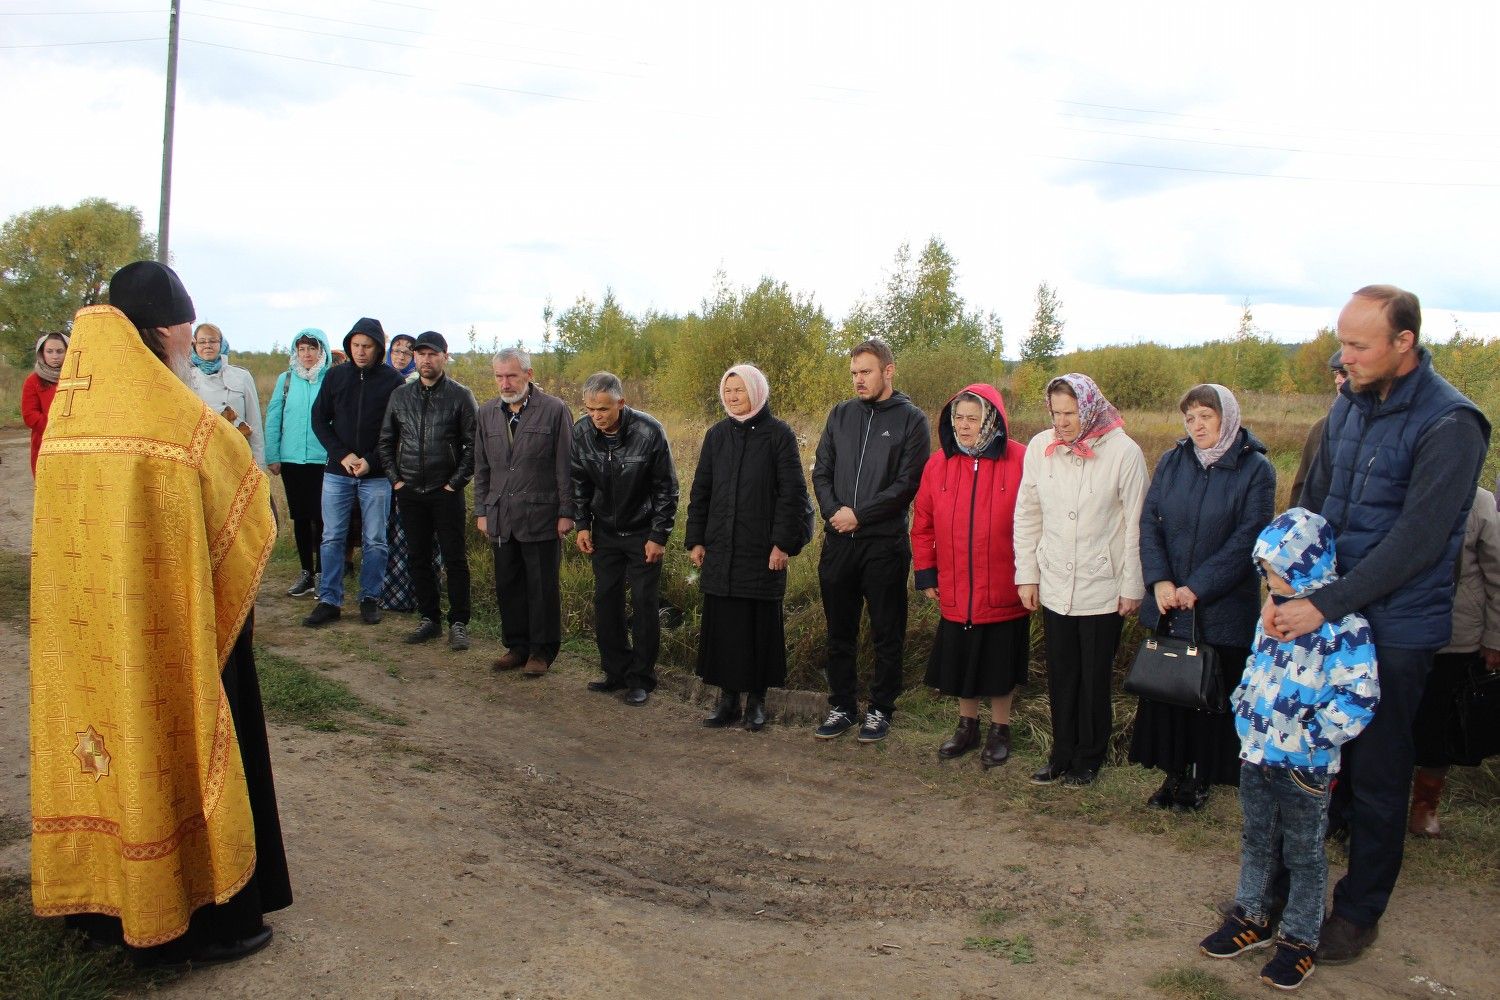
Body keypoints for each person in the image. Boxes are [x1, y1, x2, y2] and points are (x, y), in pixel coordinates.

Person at [30, 260, 291, 964]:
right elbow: (244, 496)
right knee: (177, 738)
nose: (187, 338)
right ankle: (202, 917)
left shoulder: (70, 420)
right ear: (159, 331)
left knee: (100, 752)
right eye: (183, 326)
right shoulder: (172, 419)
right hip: (168, 629)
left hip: (85, 639)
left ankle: (96, 905)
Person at [1268, 284, 1489, 963]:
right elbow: (1316, 504)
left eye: (1359, 345)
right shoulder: (1348, 406)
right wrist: (1281, 580)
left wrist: (1322, 604)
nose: (1345, 357)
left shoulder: (1452, 423)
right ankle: (1283, 891)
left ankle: (1359, 910)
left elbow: (1417, 541)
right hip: (1324, 613)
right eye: (1342, 342)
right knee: (1302, 756)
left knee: (1377, 774)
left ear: (1404, 342)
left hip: (1397, 628)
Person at [1199, 508, 1378, 992]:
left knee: (1304, 853)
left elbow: (1359, 697)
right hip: (1256, 754)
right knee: (1257, 839)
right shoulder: (1272, 615)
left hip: (1305, 766)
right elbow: (1256, 665)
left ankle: (1300, 939)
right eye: (1264, 570)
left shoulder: (1345, 628)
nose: (1269, 579)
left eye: (1276, 570)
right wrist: (1243, 706)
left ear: (1306, 565)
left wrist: (1311, 737)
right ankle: (1251, 916)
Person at [1131, 384, 1276, 811]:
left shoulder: (1256, 469)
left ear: (1226, 417)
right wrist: (1160, 582)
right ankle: (1172, 773)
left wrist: (1197, 587)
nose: (1197, 426)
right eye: (1190, 417)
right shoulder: (1173, 461)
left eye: (1206, 416)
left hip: (1221, 606)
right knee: (1170, 690)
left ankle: (1201, 778)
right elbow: (1150, 523)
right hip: (1170, 602)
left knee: (1210, 694)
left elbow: (1249, 538)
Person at [1014, 373, 1147, 787]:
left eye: (1070, 413)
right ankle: (1060, 752)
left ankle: (1089, 757)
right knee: (1061, 673)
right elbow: (1028, 513)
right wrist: (1027, 575)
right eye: (1056, 413)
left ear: (1089, 408)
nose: (1062, 422)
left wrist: (1132, 585)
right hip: (1054, 580)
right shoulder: (1041, 447)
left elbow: (1136, 524)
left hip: (1102, 584)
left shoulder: (1124, 452)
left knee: (1093, 677)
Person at [811, 338, 930, 743]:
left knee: (886, 632)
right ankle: (842, 706)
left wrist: (859, 515)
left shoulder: (911, 420)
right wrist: (835, 512)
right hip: (838, 542)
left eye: (866, 372)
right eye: (854, 373)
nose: (858, 380)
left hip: (883, 545)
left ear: (888, 371)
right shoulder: (841, 414)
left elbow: (907, 483)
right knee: (839, 631)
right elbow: (821, 470)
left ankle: (881, 709)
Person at [686, 364, 812, 731]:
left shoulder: (779, 435)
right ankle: (727, 702)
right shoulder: (716, 435)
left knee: (758, 628)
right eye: (727, 391)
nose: (732, 397)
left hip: (762, 552)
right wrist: (696, 538)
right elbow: (701, 489)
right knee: (725, 627)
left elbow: (792, 494)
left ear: (756, 392)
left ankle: (756, 702)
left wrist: (782, 544)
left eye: (739, 390)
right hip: (721, 548)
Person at [911, 384, 1029, 766]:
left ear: (991, 420)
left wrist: (1031, 575)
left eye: (972, 419)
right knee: (962, 660)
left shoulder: (1021, 459)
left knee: (998, 663)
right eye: (958, 417)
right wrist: (926, 572)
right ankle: (967, 726)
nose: (963, 425)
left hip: (1004, 585)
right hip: (956, 585)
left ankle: (1000, 730)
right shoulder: (938, 464)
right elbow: (923, 524)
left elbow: (1036, 520)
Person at [571, 371, 678, 706]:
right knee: (606, 601)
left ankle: (641, 678)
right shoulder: (581, 432)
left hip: (642, 531)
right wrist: (582, 524)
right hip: (603, 531)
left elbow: (666, 489)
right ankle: (615, 672)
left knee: (645, 603)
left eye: (603, 409)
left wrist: (658, 535)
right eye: (590, 409)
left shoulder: (649, 431)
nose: (596, 416)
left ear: (621, 402)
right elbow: (578, 482)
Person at [473, 347, 575, 677]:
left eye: (512, 376)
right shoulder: (487, 413)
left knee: (541, 586)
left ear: (529, 375)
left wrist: (566, 511)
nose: (505, 383)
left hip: (541, 515)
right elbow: (482, 467)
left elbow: (566, 465)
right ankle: (517, 647)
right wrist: (482, 510)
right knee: (509, 584)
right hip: (501, 514)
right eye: (499, 376)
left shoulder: (554, 410)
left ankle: (541, 652)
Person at [1407, 485, 1500, 837]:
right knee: (1395, 722)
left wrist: (1495, 638)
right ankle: (1380, 801)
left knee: (1441, 724)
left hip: (1456, 637)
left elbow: (1498, 575)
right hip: (1401, 633)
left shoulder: (1480, 502)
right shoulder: (1402, 488)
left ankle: (1425, 805)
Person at [377, 331, 477, 650]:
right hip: (410, 490)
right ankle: (429, 618)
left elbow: (473, 446)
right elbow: (386, 441)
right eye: (420, 354)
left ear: (445, 356)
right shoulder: (400, 395)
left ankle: (458, 622)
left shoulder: (460, 396)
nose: (425, 359)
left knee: (454, 558)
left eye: (432, 354)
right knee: (417, 556)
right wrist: (396, 480)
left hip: (445, 491)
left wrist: (453, 483)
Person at [304, 317, 407, 628]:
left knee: (375, 539)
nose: (361, 351)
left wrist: (371, 461)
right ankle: (329, 600)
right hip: (338, 471)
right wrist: (343, 455)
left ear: (378, 349)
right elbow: (319, 420)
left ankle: (370, 598)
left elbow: (397, 429)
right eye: (356, 345)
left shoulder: (393, 381)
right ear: (349, 346)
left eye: (367, 346)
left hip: (375, 474)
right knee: (332, 536)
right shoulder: (335, 376)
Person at [265, 328, 333, 598]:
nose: (307, 354)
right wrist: (273, 455)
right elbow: (274, 418)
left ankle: (323, 573)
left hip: (323, 459)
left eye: (312, 349)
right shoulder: (286, 380)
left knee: (323, 518)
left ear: (321, 351)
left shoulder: (330, 380)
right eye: (302, 349)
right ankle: (306, 572)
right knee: (301, 517)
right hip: (292, 460)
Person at [186, 322, 266, 469]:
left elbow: (254, 422)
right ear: (194, 346)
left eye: (213, 341)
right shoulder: (186, 377)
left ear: (221, 344)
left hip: (237, 454)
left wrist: (259, 464)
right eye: (202, 342)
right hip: (202, 457)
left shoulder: (242, 376)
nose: (207, 345)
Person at [1287, 349, 1346, 508]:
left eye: (1345, 374)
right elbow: (1301, 487)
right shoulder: (1321, 428)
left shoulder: (1385, 429)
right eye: (1336, 374)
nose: (1338, 380)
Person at [21, 331, 68, 475]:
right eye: (49, 351)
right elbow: (30, 415)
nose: (55, 356)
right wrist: (55, 428)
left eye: (60, 351)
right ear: (42, 353)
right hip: (45, 443)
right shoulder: (33, 381)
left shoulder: (77, 377)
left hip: (74, 443)